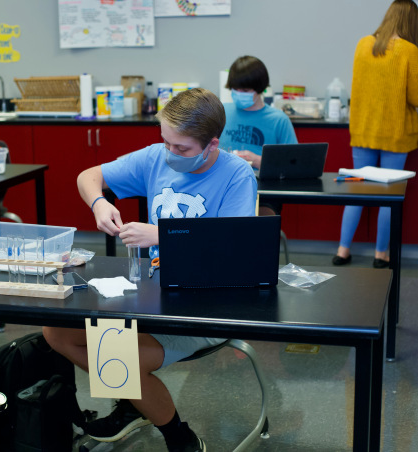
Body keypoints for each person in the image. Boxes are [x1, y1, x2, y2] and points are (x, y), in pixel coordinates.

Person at [43, 88, 257, 452]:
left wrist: (159, 234)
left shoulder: (237, 176)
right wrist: (98, 203)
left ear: (212, 144)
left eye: (182, 149)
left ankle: (179, 435)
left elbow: (231, 250)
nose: (170, 154)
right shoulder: (157, 157)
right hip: (155, 293)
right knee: (56, 332)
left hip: (209, 302)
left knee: (115, 358)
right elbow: (88, 175)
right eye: (166, 143)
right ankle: (134, 403)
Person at [333, 0, 418, 269]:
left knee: (356, 191)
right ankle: (380, 254)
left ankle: (342, 250)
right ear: (412, 23)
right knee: (389, 196)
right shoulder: (408, 50)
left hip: (363, 130)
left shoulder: (364, 44)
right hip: (395, 134)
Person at [219, 55, 297, 215]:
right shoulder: (220, 112)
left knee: (259, 222)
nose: (239, 93)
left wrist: (259, 161)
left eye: (245, 90)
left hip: (262, 190)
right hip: (222, 184)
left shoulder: (278, 120)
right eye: (236, 89)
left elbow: (294, 167)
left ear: (260, 89)